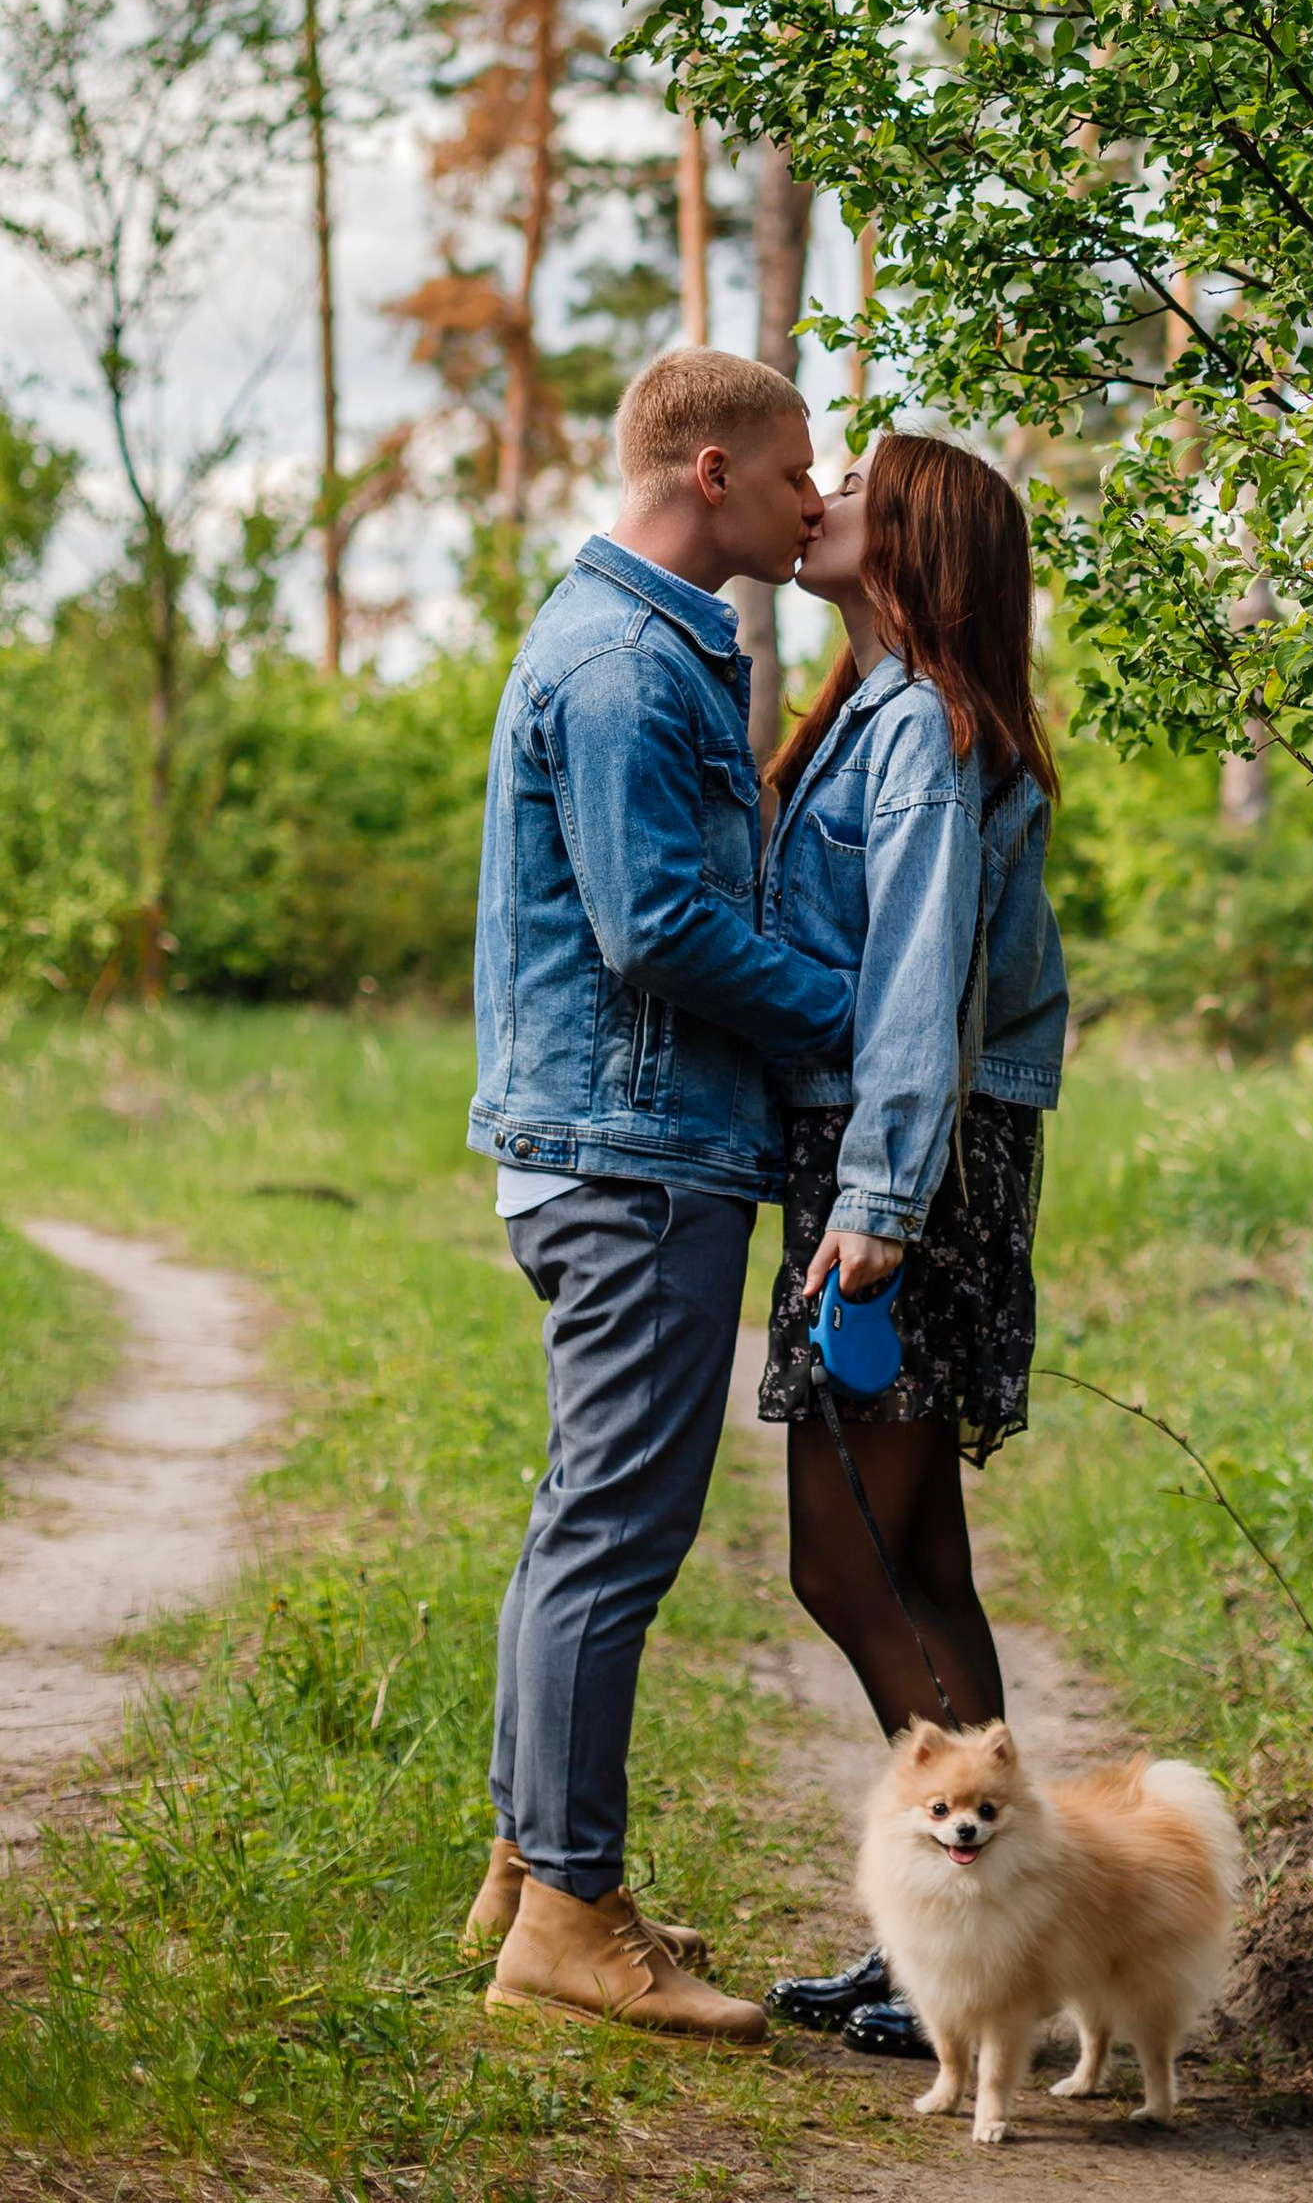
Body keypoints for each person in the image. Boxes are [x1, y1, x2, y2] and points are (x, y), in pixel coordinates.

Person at [464, 349, 860, 2046]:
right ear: (709, 472)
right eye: (792, 478)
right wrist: (863, 1018)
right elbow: (660, 933)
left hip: (619, 1149)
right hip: (631, 1158)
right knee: (615, 1533)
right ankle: (569, 1912)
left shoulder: (648, 644)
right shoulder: (630, 665)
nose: (813, 503)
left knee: (583, 1515)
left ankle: (525, 1869)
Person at [751, 432, 1069, 2054]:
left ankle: (978, 1927)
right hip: (897, 1155)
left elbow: (920, 989)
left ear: (911, 547)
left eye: (853, 499)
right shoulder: (886, 714)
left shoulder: (929, 738)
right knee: (910, 1554)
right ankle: (958, 1945)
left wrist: (877, 1207)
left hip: (905, 1171)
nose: (818, 512)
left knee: (852, 1556)